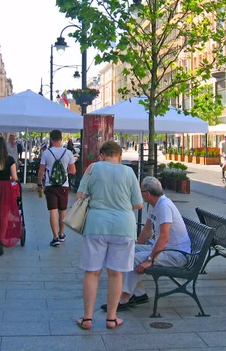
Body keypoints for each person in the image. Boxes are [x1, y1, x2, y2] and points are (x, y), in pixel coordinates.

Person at [75, 140, 143, 330]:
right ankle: (112, 318)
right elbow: (138, 204)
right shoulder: (129, 172)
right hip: (124, 227)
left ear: (102, 155)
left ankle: (87, 319)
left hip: (96, 224)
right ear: (119, 156)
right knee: (116, 273)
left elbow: (79, 196)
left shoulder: (93, 168)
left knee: (92, 272)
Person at [101, 176, 190, 312]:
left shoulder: (164, 206)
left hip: (176, 254)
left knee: (134, 258)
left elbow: (164, 238)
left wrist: (149, 260)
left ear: (147, 194)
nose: (139, 194)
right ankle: (139, 293)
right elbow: (147, 230)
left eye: (140, 191)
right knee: (128, 251)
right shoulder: (154, 205)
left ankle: (124, 299)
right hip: (166, 249)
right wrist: (134, 246)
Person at [37, 130, 76, 246]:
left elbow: (41, 171)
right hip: (64, 185)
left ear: (51, 139)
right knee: (62, 210)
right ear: (61, 138)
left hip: (50, 185)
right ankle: (62, 233)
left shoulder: (46, 153)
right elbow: (73, 171)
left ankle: (55, 238)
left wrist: (39, 184)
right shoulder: (68, 152)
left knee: (53, 211)